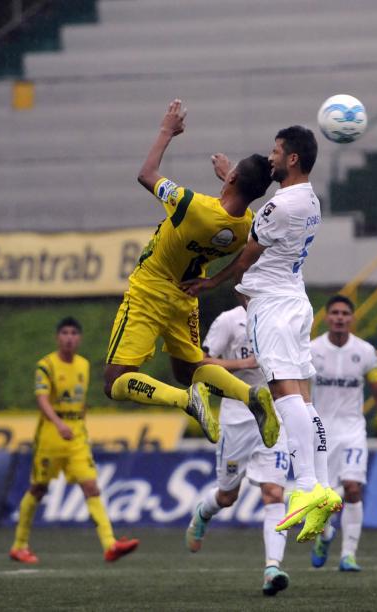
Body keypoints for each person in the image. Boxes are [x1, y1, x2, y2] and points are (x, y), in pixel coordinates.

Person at [183, 125, 340, 544]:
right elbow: (265, 222)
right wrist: (230, 179)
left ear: (291, 158)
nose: (269, 157)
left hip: (271, 307)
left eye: (275, 151)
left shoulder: (280, 205)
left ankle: (306, 488)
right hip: (295, 301)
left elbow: (246, 256)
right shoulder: (309, 201)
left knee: (285, 394)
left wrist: (211, 284)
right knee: (304, 399)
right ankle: (321, 486)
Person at [104, 99, 279, 450]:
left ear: (230, 178)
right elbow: (231, 223)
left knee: (114, 382)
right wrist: (231, 180)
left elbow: (146, 174)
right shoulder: (246, 226)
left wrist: (167, 131)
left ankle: (186, 402)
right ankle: (250, 394)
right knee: (187, 368)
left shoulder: (191, 205)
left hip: (151, 289)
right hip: (188, 296)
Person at [184, 297, 292, 596]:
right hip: (237, 417)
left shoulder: (281, 317)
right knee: (228, 495)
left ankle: (273, 567)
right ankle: (204, 513)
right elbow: (202, 363)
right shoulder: (229, 321)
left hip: (273, 416)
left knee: (274, 493)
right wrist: (242, 364)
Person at [10, 317, 139, 564]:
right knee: (38, 489)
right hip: (51, 435)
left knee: (91, 487)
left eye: (73, 333)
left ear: (79, 338)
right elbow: (42, 399)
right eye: (65, 333)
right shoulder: (45, 365)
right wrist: (59, 424)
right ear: (58, 337)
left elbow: (81, 403)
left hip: (76, 438)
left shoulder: (83, 365)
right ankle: (19, 545)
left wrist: (78, 425)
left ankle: (110, 544)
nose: (69, 338)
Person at [309, 294, 377, 572]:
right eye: (334, 312)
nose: (339, 317)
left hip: (352, 430)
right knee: (321, 498)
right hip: (319, 432)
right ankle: (325, 535)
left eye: (345, 313)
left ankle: (348, 554)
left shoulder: (365, 352)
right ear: (326, 317)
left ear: (352, 318)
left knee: (352, 488)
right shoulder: (311, 350)